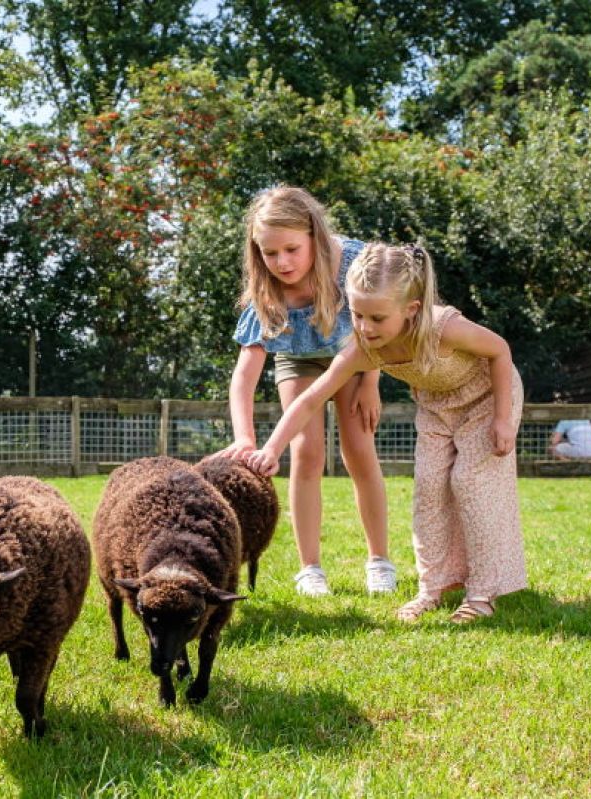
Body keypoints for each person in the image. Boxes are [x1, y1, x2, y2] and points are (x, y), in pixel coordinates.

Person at [243, 242, 527, 623]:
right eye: (358, 315)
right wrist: (272, 448)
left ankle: (481, 593)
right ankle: (435, 586)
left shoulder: (445, 327)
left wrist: (504, 420)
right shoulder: (363, 349)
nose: (364, 327)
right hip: (438, 407)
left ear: (410, 310)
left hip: (488, 399)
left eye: (377, 318)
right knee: (428, 489)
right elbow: (311, 398)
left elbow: (500, 351)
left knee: (469, 482)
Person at [213, 186, 395, 597]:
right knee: (306, 453)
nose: (282, 262)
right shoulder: (267, 288)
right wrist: (245, 437)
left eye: (292, 249)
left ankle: (379, 560)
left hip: (355, 357)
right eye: (270, 253)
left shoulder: (352, 262)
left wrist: (370, 381)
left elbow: (381, 326)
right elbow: (244, 374)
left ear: (315, 235)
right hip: (297, 360)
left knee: (359, 450)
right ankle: (310, 569)